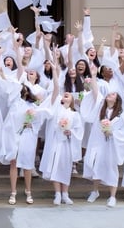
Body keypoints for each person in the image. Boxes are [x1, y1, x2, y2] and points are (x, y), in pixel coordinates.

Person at [81, 66, 124, 207]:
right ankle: (95, 191)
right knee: (96, 165)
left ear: (117, 100)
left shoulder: (121, 115)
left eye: (113, 94)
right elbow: (95, 90)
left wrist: (112, 133)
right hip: (98, 142)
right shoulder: (100, 107)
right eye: (110, 93)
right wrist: (94, 75)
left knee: (111, 168)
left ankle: (112, 196)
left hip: (111, 144)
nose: (110, 94)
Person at [39, 63, 84, 205]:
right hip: (55, 142)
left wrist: (71, 132)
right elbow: (56, 88)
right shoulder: (55, 107)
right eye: (64, 94)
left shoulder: (75, 114)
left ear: (72, 100)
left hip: (67, 144)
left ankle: (65, 193)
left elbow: (79, 130)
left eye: (69, 95)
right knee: (55, 167)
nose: (66, 95)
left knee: (65, 167)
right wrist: (54, 69)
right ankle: (57, 194)